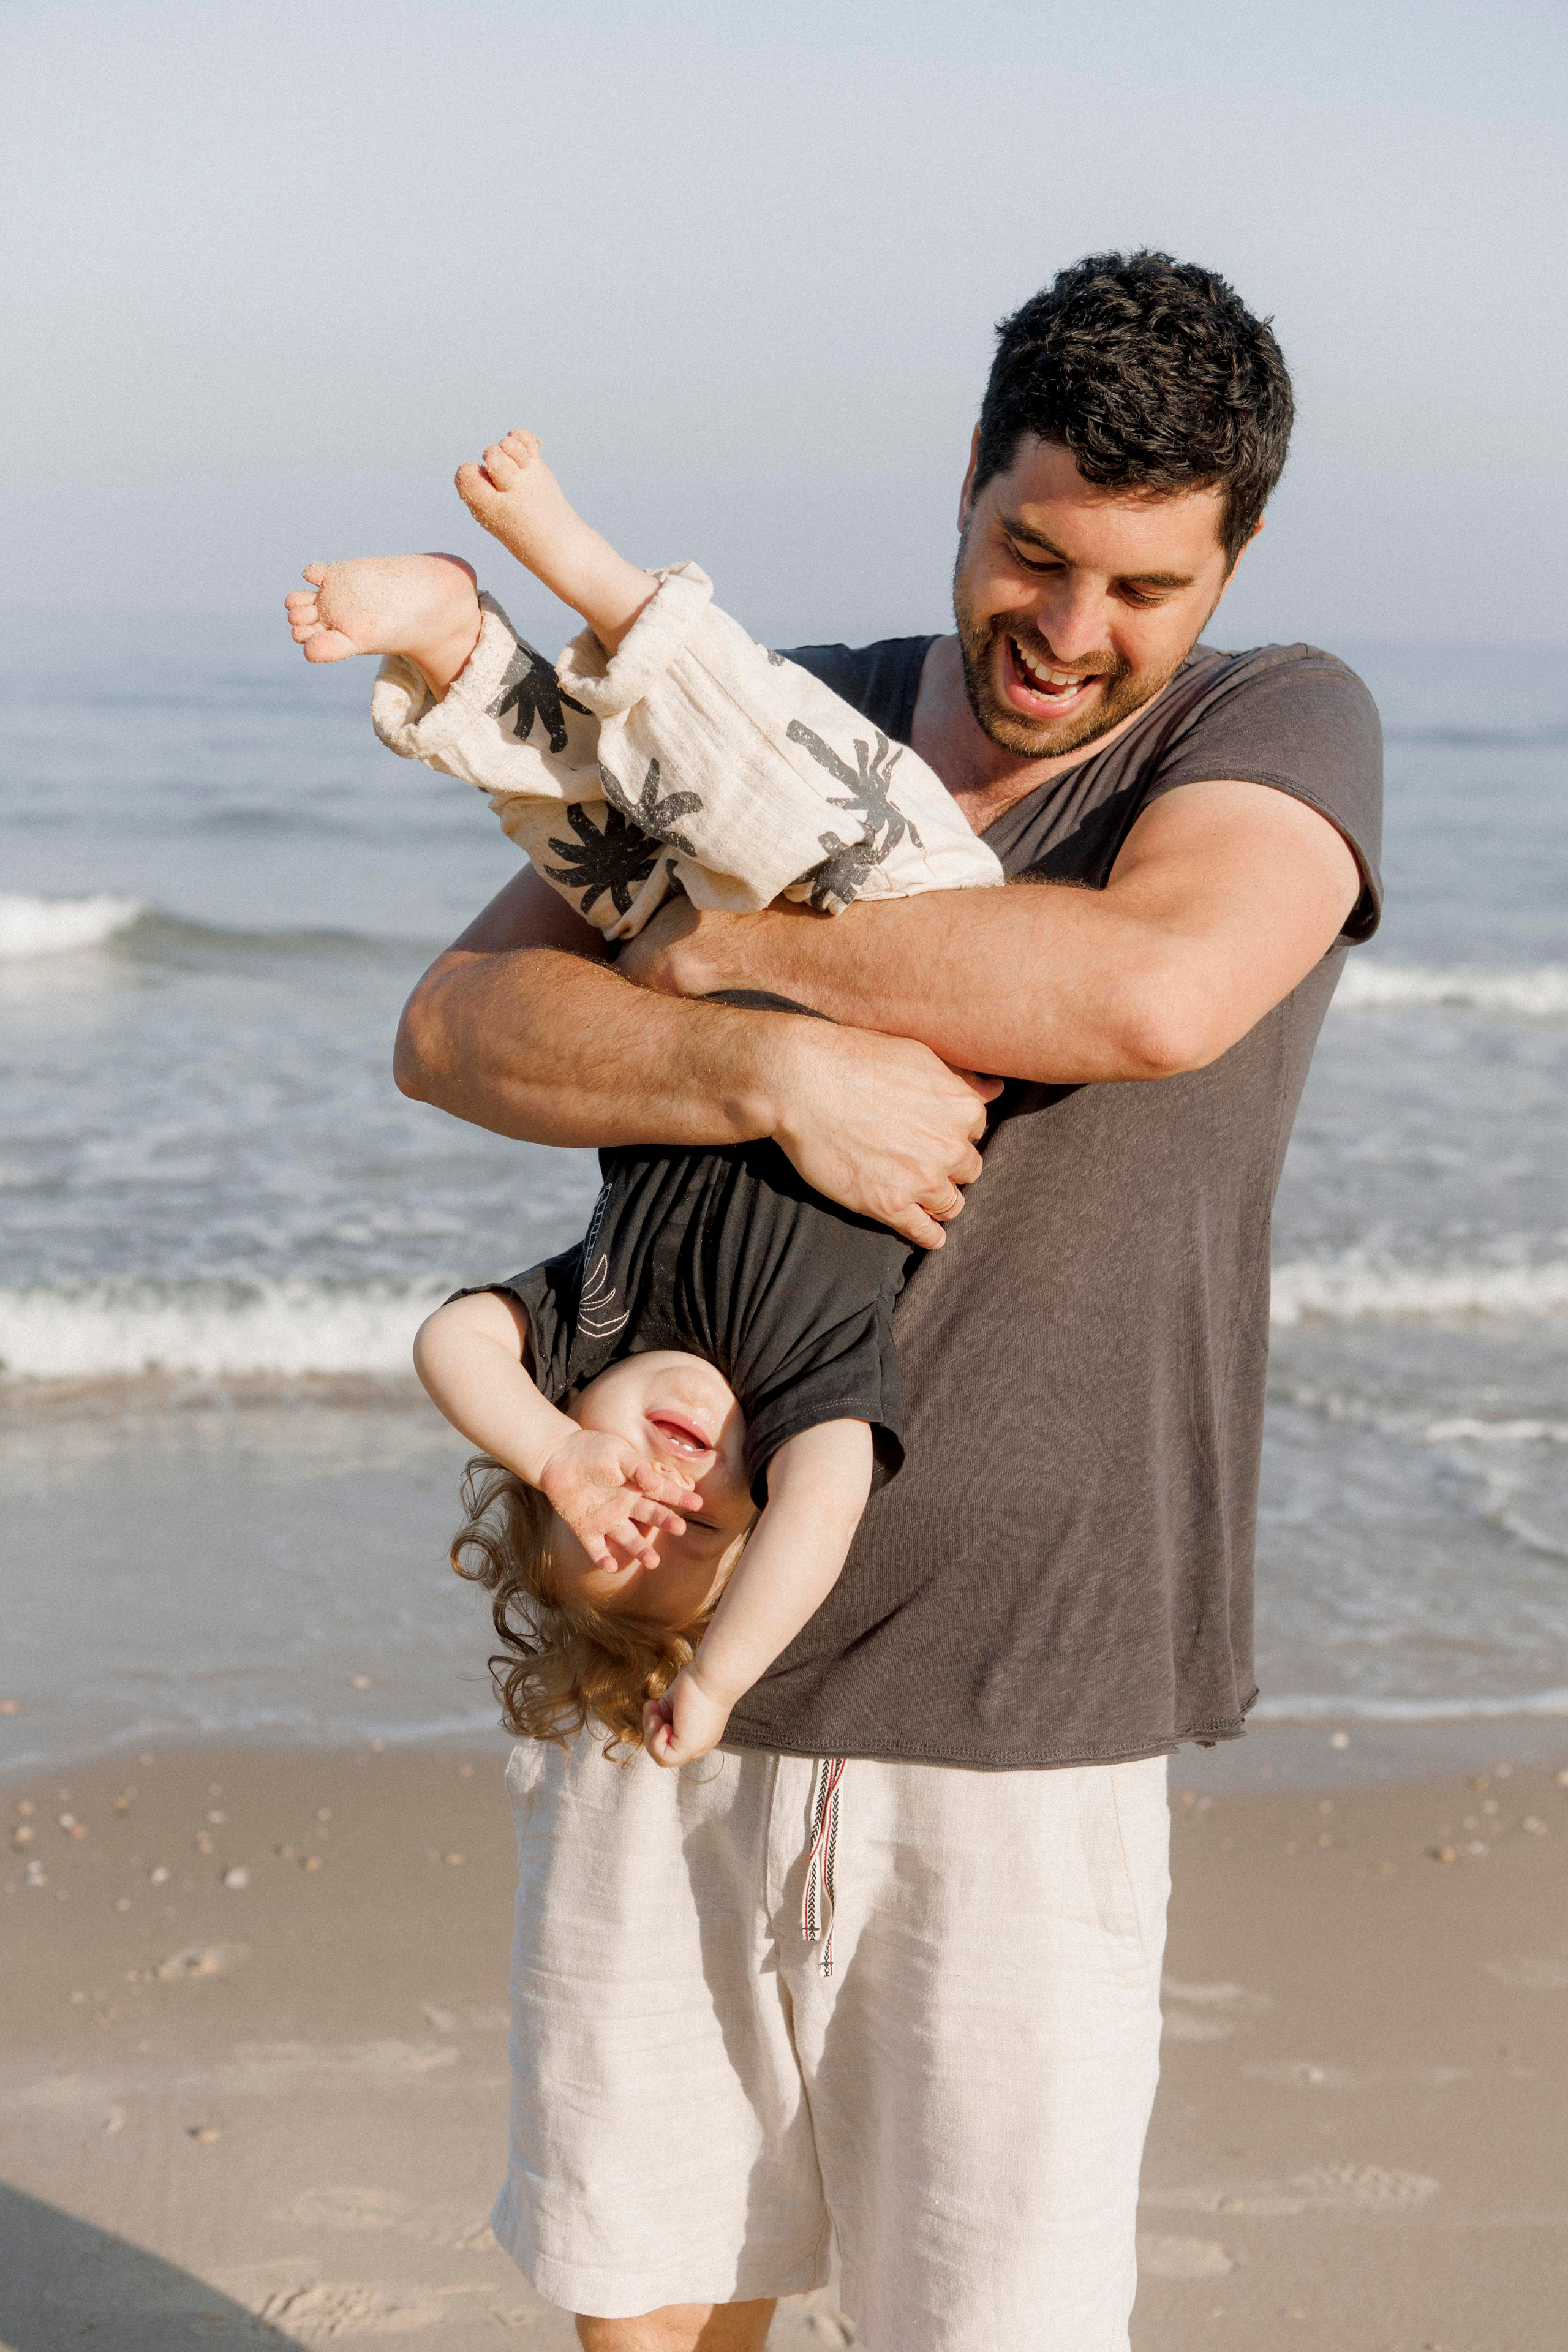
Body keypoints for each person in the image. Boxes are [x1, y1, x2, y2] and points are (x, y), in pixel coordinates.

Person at [376, 254, 1386, 2349]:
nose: (1072, 633)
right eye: (1034, 554)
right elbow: (460, 1025)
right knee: (652, 2295)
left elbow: (1153, 988)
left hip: (1031, 1707)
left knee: (988, 2325)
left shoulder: (1277, 721)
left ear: (1233, 563)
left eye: (1141, 588)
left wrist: (727, 966)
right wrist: (763, 1075)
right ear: (968, 484)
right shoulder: (764, 711)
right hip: (659, 1648)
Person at [291, 438, 1012, 1773]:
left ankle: (454, 649)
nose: (664, 1489)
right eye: (696, 1528)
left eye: (615, 1501)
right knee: (740, 777)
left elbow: (450, 1343)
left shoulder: (591, 1331)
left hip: (711, 940)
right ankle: (597, 577)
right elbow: (824, 1510)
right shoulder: (803, 1383)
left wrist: (561, 1452)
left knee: (583, 828)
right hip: (910, 911)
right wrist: (725, 1675)